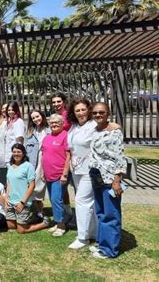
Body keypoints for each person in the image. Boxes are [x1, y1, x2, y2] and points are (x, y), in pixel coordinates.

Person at [88, 102, 127, 259]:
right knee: (101, 211)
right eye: (95, 113)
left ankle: (110, 250)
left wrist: (117, 179)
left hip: (110, 177)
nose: (98, 115)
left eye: (101, 112)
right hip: (96, 174)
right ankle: (102, 243)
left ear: (108, 113)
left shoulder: (114, 131)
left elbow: (120, 156)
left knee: (111, 213)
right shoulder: (95, 130)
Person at [67, 98, 98, 250]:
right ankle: (92, 232)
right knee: (88, 202)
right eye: (77, 110)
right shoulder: (73, 127)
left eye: (83, 109)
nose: (80, 113)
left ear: (89, 110)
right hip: (76, 170)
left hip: (89, 170)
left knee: (81, 201)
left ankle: (82, 237)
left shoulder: (94, 126)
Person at [5, 143, 50, 233]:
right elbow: (9, 183)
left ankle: (45, 223)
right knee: (11, 226)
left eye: (19, 152)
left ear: (23, 153)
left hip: (22, 202)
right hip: (11, 202)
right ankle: (34, 219)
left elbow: (32, 185)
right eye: (14, 152)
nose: (16, 154)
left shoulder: (28, 166)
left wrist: (22, 203)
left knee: (21, 230)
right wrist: (6, 199)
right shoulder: (10, 166)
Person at [41, 114, 71, 237]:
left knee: (56, 199)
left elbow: (68, 156)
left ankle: (61, 225)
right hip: (48, 174)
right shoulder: (47, 137)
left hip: (60, 174)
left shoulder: (65, 136)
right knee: (53, 200)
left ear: (62, 123)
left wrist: (65, 174)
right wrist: (43, 172)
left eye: (57, 122)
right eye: (52, 123)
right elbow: (44, 155)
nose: (54, 125)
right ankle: (58, 221)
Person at [25, 109, 50, 219]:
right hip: (34, 160)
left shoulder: (49, 129)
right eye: (33, 118)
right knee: (34, 186)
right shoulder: (31, 131)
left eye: (37, 116)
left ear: (42, 116)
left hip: (47, 159)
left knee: (44, 185)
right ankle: (38, 210)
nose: (36, 119)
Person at [51, 92, 73, 219]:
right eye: (54, 102)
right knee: (62, 187)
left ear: (64, 102)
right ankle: (67, 209)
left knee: (68, 183)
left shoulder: (69, 116)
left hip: (70, 152)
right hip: (59, 152)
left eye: (58, 101)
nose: (56, 104)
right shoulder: (55, 116)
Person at [4, 102, 25, 166]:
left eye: (12, 110)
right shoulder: (9, 122)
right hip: (8, 154)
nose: (10, 112)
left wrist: (17, 155)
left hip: (15, 156)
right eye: (9, 110)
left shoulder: (19, 122)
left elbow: (20, 140)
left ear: (16, 110)